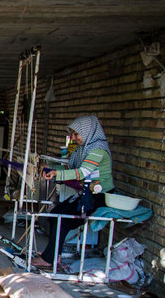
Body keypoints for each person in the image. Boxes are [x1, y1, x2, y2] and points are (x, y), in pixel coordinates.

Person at [32, 115, 115, 269]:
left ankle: (50, 259)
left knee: (60, 218)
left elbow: (82, 172)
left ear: (88, 131)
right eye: (73, 135)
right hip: (88, 194)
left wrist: (58, 174)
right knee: (55, 213)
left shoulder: (98, 150)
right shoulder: (83, 149)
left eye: (76, 134)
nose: (74, 138)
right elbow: (72, 169)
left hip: (99, 197)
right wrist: (51, 169)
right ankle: (53, 255)